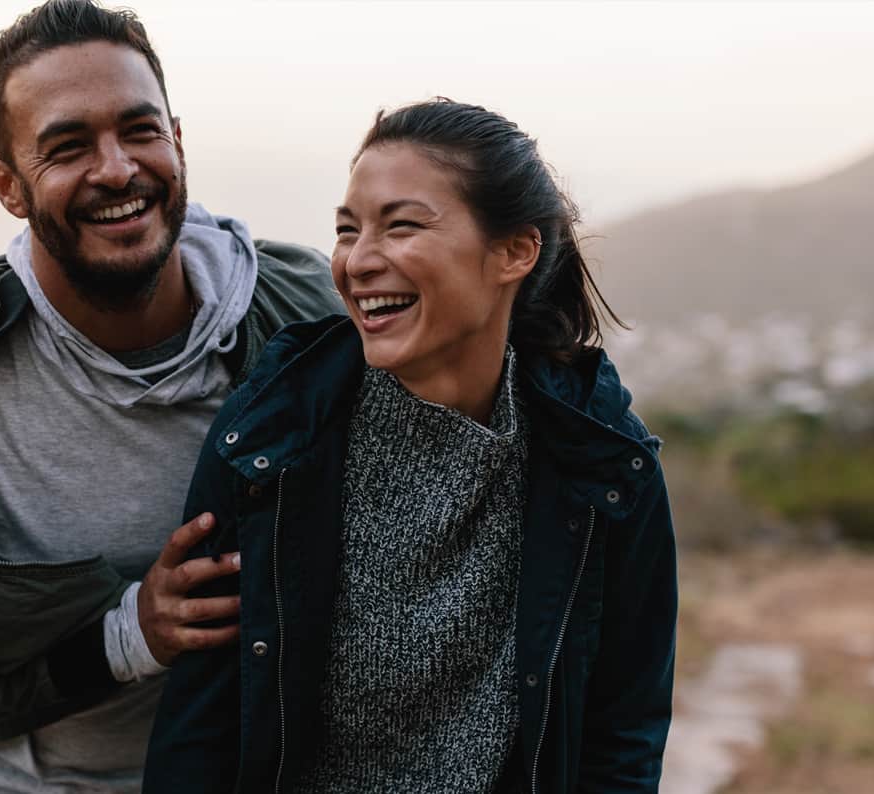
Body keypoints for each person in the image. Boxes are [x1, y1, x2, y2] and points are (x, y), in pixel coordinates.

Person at [0, 1, 342, 791]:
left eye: (140, 130)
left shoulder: (306, 312)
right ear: (7, 186)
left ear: (178, 139)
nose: (117, 168)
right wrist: (124, 639)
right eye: (66, 146)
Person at [145, 99, 677, 793]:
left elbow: (621, 734)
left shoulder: (602, 463)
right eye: (346, 231)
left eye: (400, 227)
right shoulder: (272, 436)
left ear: (513, 251)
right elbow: (201, 728)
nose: (358, 262)